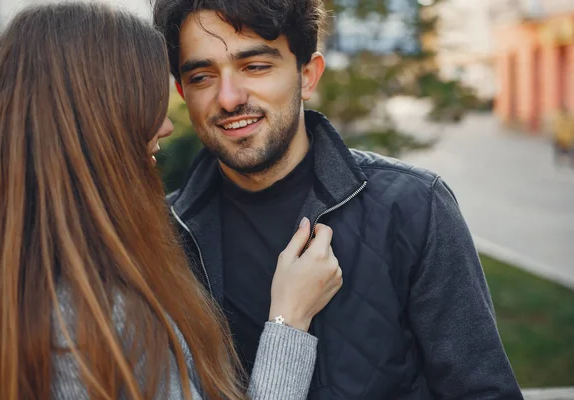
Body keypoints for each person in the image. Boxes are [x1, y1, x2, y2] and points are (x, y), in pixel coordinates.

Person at [153, 0, 524, 398]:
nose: (228, 98)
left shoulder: (415, 206)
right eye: (202, 76)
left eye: (255, 66)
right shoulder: (160, 238)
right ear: (181, 92)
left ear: (308, 76)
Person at [0, 3, 343, 400]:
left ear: (307, 75)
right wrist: (289, 322)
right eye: (149, 101)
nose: (166, 125)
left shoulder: (13, 272)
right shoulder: (96, 314)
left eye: (255, 66)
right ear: (99, 118)